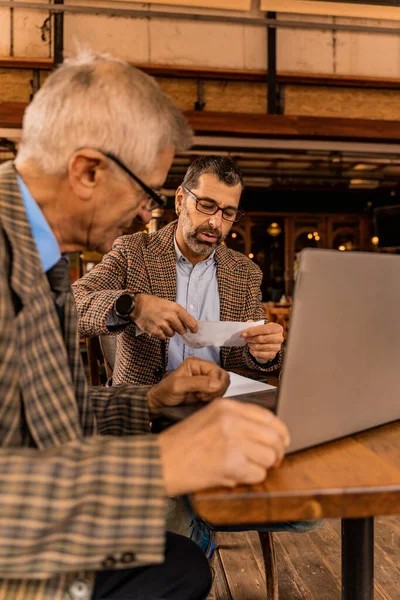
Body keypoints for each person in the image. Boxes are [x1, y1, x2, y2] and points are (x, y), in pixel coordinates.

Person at [0, 51, 290, 600]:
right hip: (25, 558)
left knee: (181, 566)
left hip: (83, 485)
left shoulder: (42, 257)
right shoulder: (121, 254)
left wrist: (152, 400)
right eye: (145, 193)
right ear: (88, 170)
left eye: (228, 212)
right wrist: (164, 463)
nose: (142, 212)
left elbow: (51, 415)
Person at [72, 155, 284, 388]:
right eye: (206, 206)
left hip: (217, 404)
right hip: (145, 407)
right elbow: (70, 304)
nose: (215, 223)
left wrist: (265, 353)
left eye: (228, 213)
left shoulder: (245, 272)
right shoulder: (133, 252)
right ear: (180, 200)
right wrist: (134, 306)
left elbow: (250, 356)